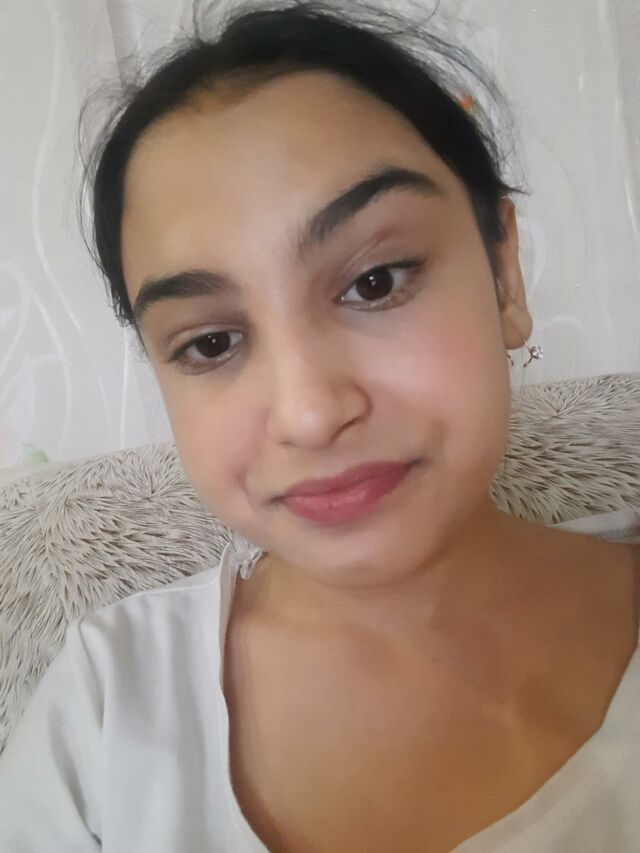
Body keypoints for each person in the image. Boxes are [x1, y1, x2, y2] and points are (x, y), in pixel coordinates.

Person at [0, 2, 638, 850]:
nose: (308, 412)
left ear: (504, 273)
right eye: (211, 342)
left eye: (376, 281)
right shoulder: (104, 714)